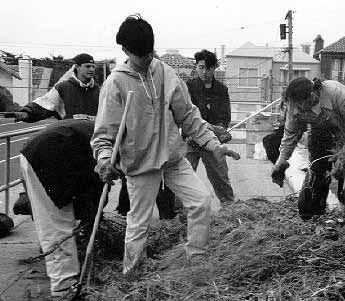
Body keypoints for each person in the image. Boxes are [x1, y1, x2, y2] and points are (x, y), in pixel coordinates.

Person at [91, 14, 240, 274]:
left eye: (149, 52)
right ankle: (133, 274)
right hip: (141, 164)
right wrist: (104, 158)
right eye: (140, 55)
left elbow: (189, 116)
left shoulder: (164, 72)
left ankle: (196, 260)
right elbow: (104, 134)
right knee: (139, 223)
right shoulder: (115, 83)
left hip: (172, 158)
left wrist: (214, 145)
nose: (146, 59)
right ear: (125, 50)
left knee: (201, 202)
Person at [19, 119, 103, 297]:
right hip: (48, 156)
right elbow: (98, 185)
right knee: (56, 223)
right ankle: (63, 287)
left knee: (59, 220)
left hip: (52, 152)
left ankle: (66, 278)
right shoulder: (119, 143)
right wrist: (93, 213)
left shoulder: (111, 130)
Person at [271, 77, 345, 219]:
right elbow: (291, 134)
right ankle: (312, 212)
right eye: (293, 107)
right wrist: (281, 162)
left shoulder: (336, 93)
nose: (296, 111)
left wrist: (343, 156)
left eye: (300, 106)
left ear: (313, 95)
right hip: (320, 129)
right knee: (316, 168)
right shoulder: (294, 107)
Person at [185, 49, 234, 203]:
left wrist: (219, 128)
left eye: (208, 68)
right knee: (183, 176)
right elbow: (184, 113)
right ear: (196, 67)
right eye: (201, 67)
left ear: (214, 68)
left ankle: (229, 207)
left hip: (213, 140)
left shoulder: (221, 89)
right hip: (190, 138)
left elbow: (225, 116)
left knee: (220, 176)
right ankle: (178, 213)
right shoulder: (189, 86)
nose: (204, 72)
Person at [5, 53, 99, 122]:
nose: (91, 69)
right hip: (71, 138)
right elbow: (46, 103)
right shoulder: (63, 88)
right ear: (77, 67)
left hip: (94, 140)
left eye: (93, 67)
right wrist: (27, 113)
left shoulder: (100, 90)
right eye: (87, 66)